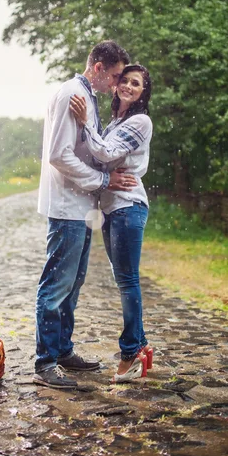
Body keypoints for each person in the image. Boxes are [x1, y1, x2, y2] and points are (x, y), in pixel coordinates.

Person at [33, 40, 137, 389]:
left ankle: (63, 350)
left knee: (73, 284)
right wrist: (105, 181)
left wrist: (101, 182)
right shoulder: (70, 95)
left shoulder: (88, 98)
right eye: (115, 76)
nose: (117, 83)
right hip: (66, 206)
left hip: (82, 205)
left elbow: (90, 148)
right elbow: (59, 155)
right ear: (98, 69)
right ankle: (45, 362)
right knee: (56, 286)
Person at [70, 64, 153, 383]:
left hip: (128, 206)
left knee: (127, 281)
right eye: (125, 80)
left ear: (143, 92)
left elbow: (105, 153)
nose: (129, 86)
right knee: (124, 279)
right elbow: (99, 156)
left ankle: (130, 354)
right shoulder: (118, 121)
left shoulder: (140, 121)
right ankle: (141, 347)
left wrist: (85, 122)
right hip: (112, 207)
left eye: (137, 83)